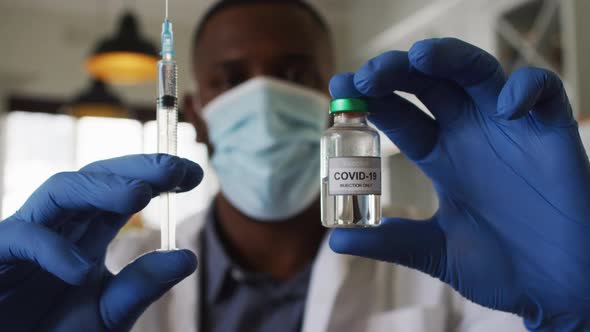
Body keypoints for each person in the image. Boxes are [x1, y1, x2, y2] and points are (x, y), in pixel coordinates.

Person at [1, 1, 589, 332]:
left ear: (332, 95)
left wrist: (578, 312)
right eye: (230, 80)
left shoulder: (454, 271)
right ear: (197, 111)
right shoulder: (106, 275)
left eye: (293, 75)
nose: (262, 98)